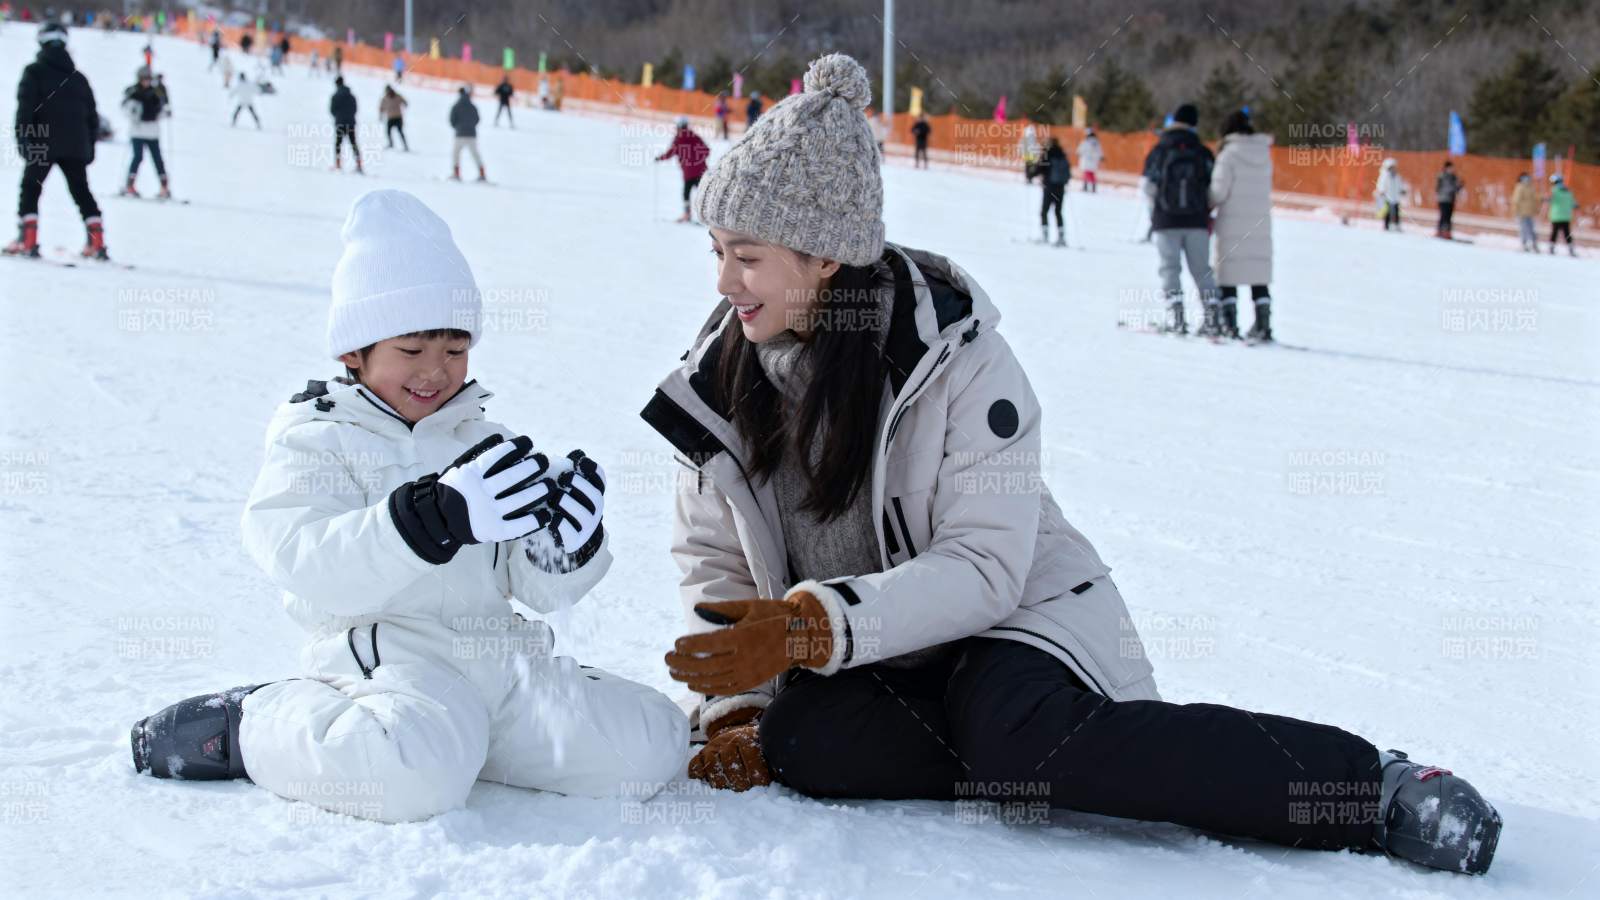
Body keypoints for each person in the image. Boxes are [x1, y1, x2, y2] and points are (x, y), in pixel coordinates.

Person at [649, 53, 1502, 878]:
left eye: (748, 255)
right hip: (875, 656)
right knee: (804, 741)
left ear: (824, 255)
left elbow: (985, 566)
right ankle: (1014, 745)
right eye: (716, 250)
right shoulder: (719, 382)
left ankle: (1367, 787)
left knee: (1019, 734)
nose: (725, 280)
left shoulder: (956, 361)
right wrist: (736, 706)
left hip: (1011, 620)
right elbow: (715, 559)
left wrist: (813, 627)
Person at [129, 189, 687, 823]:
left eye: (454, 350)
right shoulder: (318, 437)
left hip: (500, 661)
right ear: (354, 352)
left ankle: (476, 743)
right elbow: (301, 560)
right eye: (411, 351)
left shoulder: (483, 441)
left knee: (651, 742)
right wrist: (427, 520)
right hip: (392, 663)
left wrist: (566, 544)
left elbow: (531, 587)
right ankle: (251, 722)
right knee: (410, 779)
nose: (435, 371)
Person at [4, 22, 107, 260]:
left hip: (43, 141)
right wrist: (88, 147)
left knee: (30, 188)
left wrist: (24, 140)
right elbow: (93, 117)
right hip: (75, 145)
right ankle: (97, 240)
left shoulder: (34, 72)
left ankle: (27, 240)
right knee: (81, 191)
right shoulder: (78, 78)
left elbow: (25, 110)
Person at [1141, 102, 1217, 335]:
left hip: (1166, 221)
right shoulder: (1202, 151)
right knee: (1202, 270)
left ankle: (1177, 319)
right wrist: (1206, 210)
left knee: (1170, 269)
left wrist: (1156, 211)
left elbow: (1148, 187)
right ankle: (1213, 319)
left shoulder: (1160, 150)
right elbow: (1213, 188)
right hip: (1196, 221)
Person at [1208, 109, 1273, 341]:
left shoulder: (1228, 155)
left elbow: (1218, 191)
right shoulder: (1264, 153)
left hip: (1232, 222)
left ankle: (1230, 324)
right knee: (1259, 274)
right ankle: (1264, 323)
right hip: (1260, 223)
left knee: (1228, 274)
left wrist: (1206, 204)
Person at [121, 67, 170, 199]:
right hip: (138, 131)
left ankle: (164, 187)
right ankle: (129, 185)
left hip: (152, 131)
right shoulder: (133, 92)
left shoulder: (156, 93)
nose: (146, 81)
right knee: (137, 157)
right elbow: (126, 110)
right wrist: (134, 115)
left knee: (157, 159)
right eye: (144, 79)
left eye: (148, 79)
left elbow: (162, 109)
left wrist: (165, 113)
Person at [656, 116, 710, 223]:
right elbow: (706, 151)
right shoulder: (695, 136)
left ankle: (687, 214)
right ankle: (708, 216)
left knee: (686, 193)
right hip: (701, 170)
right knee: (703, 194)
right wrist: (697, 159)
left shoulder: (678, 139)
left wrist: (659, 158)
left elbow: (670, 153)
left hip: (689, 172)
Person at [1026, 136, 1070, 246]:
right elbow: (1068, 173)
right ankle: (1061, 237)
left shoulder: (1047, 155)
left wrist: (1029, 171)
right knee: (1058, 212)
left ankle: (1045, 236)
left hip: (1049, 188)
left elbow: (1037, 170)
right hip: (1060, 188)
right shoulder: (1062, 155)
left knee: (1044, 211)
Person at [449, 86, 486, 181]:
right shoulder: (473, 106)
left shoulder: (456, 106)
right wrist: (471, 127)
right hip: (471, 135)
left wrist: (458, 127)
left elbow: (452, 120)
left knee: (455, 154)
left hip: (460, 134)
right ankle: (482, 173)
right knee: (475, 154)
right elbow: (477, 119)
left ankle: (456, 174)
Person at [330, 76, 362, 173]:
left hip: (340, 122)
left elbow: (332, 110)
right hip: (351, 122)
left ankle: (338, 164)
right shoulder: (351, 96)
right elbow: (355, 109)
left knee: (338, 144)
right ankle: (359, 164)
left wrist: (339, 116)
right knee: (353, 143)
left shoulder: (335, 96)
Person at [1548, 174, 1576, 256]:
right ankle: (1571, 248)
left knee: (1554, 232)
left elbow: (1549, 199)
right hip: (1566, 216)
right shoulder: (1568, 191)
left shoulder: (1554, 190)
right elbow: (1573, 203)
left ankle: (1551, 247)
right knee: (1567, 233)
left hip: (1556, 216)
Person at [1435, 160, 1463, 239]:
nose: (1452, 169)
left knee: (1449, 217)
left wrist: (1460, 186)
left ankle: (1447, 232)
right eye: (1450, 168)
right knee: (1443, 216)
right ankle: (1440, 231)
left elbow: (1455, 188)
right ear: (1446, 168)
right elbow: (1441, 188)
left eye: (1452, 168)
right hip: (1443, 199)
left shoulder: (1453, 177)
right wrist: (1454, 187)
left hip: (1451, 199)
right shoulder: (1442, 176)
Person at [1375, 158, 1405, 231]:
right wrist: (1381, 191)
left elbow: (1399, 184)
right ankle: (1386, 225)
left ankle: (1397, 225)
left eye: (1394, 167)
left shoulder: (1397, 176)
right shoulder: (1384, 175)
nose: (1393, 168)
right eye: (1391, 167)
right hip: (1387, 197)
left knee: (1397, 211)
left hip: (1396, 197)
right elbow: (1381, 184)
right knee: (1387, 212)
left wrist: (1402, 190)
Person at [1511, 173, 1538, 252]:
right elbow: (1516, 200)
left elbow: (1534, 200)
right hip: (1522, 212)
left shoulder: (1531, 187)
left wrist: (1535, 209)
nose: (1527, 179)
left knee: (1531, 229)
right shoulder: (1520, 187)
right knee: (1523, 229)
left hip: (1530, 212)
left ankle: (1534, 244)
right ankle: (1524, 244)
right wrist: (1516, 210)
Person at [380, 85, 409, 152]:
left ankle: (405, 146)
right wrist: (381, 114)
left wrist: (405, 104)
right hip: (390, 118)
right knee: (388, 132)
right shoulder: (385, 98)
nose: (388, 92)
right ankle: (391, 144)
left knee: (400, 132)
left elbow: (405, 102)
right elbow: (381, 107)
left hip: (398, 117)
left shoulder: (397, 96)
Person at [1075, 127, 1102, 192]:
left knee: (1086, 174)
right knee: (1092, 174)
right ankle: (1093, 187)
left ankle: (1085, 186)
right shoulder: (1096, 142)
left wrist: (1078, 153)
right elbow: (1099, 151)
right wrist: (1100, 157)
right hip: (1093, 161)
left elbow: (1079, 150)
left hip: (1086, 160)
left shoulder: (1085, 142)